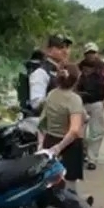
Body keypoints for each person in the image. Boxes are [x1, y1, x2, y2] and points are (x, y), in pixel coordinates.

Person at [38, 63, 86, 191]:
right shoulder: (74, 99)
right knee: (69, 186)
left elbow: (41, 123)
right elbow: (74, 130)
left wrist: (41, 145)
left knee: (50, 182)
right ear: (77, 79)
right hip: (69, 145)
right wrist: (58, 148)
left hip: (50, 140)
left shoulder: (51, 94)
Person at [77, 42, 104, 170]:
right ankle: (82, 153)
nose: (91, 55)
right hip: (81, 104)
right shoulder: (79, 67)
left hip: (97, 102)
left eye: (93, 53)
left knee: (96, 132)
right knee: (79, 132)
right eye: (88, 53)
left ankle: (92, 159)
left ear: (97, 53)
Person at [22, 35, 70, 116]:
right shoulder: (41, 73)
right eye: (60, 47)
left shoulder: (64, 72)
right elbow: (36, 104)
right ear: (49, 50)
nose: (65, 51)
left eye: (67, 47)